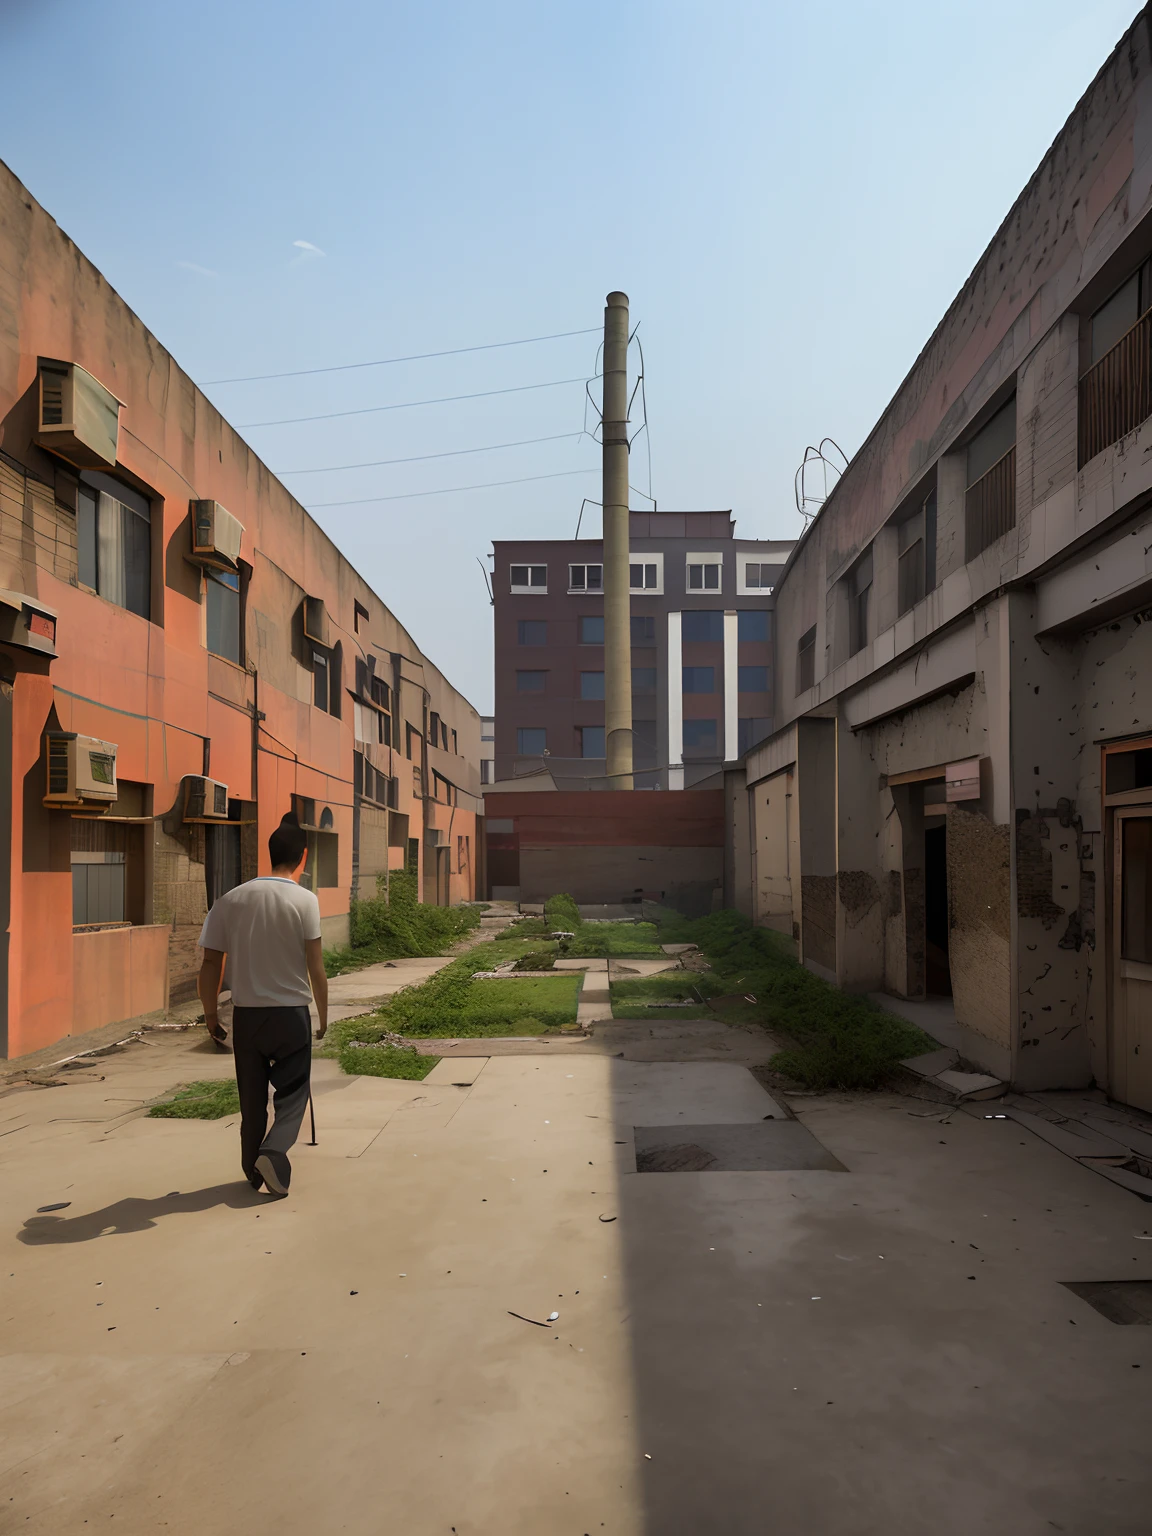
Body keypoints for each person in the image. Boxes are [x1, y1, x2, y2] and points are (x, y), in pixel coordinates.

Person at [197, 811, 328, 1196]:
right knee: (293, 1094)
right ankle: (272, 1152)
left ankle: (252, 1170)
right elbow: (315, 967)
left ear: (269, 854)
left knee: (251, 1099)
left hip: (247, 1017)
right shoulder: (305, 901)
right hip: (291, 1016)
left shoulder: (231, 900)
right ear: (303, 856)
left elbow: (209, 963)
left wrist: (209, 1015)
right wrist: (322, 1015)